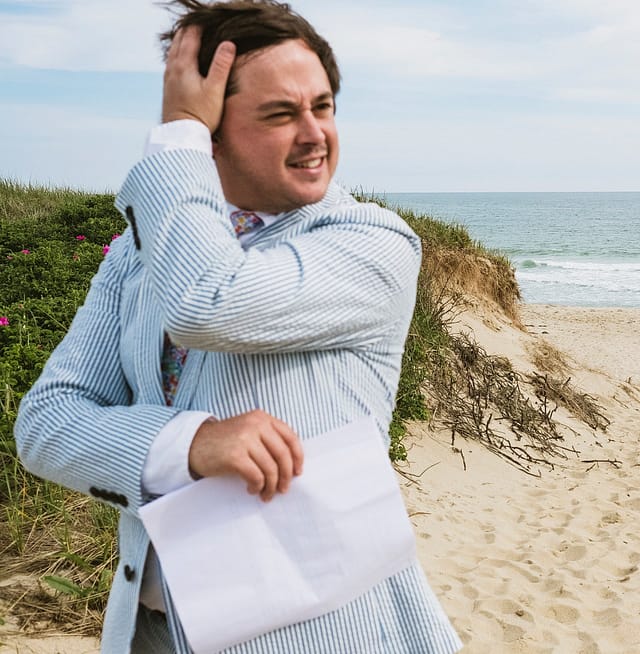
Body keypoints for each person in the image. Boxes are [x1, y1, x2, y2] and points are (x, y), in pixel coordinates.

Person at [14, 1, 462, 652]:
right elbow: (45, 422)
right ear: (213, 134)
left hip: (318, 631)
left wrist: (174, 137)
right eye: (282, 114)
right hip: (150, 630)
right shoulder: (136, 255)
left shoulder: (375, 244)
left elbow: (207, 302)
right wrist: (188, 445)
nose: (315, 134)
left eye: (324, 106)